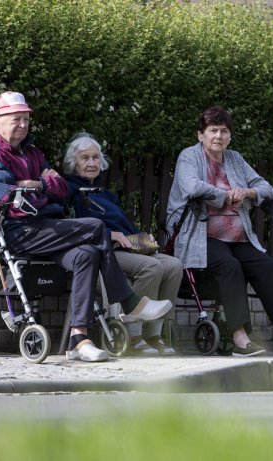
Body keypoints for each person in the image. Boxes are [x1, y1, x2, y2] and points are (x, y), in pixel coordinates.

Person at [0, 91, 173, 362]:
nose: (23, 124)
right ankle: (130, 302)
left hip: (46, 228)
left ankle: (79, 340)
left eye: (26, 119)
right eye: (16, 119)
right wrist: (39, 187)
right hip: (18, 233)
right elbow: (8, 197)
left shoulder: (33, 153)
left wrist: (38, 185)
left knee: (86, 255)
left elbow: (60, 187)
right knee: (96, 227)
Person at [166, 106, 273, 357]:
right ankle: (240, 337)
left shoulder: (235, 158)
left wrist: (247, 192)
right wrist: (226, 196)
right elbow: (192, 187)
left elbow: (266, 187)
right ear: (200, 135)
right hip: (200, 236)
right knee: (230, 266)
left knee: (269, 267)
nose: (218, 136)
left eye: (223, 131)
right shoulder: (189, 157)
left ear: (230, 136)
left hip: (237, 236)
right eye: (212, 130)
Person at [63, 133, 183, 356]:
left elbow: (125, 227)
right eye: (84, 158)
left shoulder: (104, 194)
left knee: (174, 265)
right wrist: (109, 234)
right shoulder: (71, 192)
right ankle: (133, 335)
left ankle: (153, 334)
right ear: (73, 163)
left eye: (96, 158)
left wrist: (142, 238)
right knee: (151, 267)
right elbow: (74, 227)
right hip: (103, 252)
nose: (91, 163)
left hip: (126, 248)